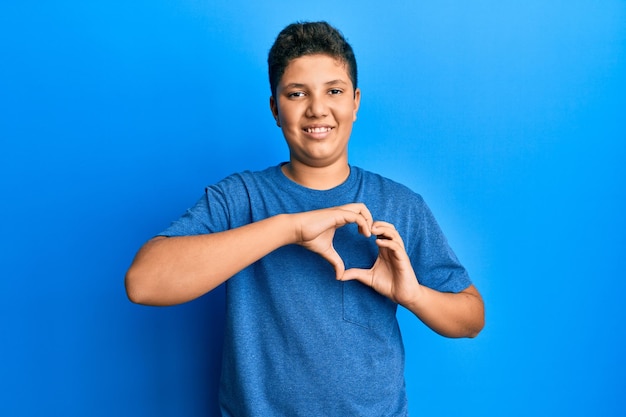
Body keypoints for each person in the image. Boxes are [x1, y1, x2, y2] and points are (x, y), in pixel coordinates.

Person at [125, 21, 484, 416]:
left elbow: (471, 318)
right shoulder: (239, 198)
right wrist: (289, 227)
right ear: (275, 108)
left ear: (355, 102)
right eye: (297, 94)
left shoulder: (399, 204)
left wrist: (412, 293)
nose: (317, 108)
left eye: (334, 91)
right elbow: (144, 283)